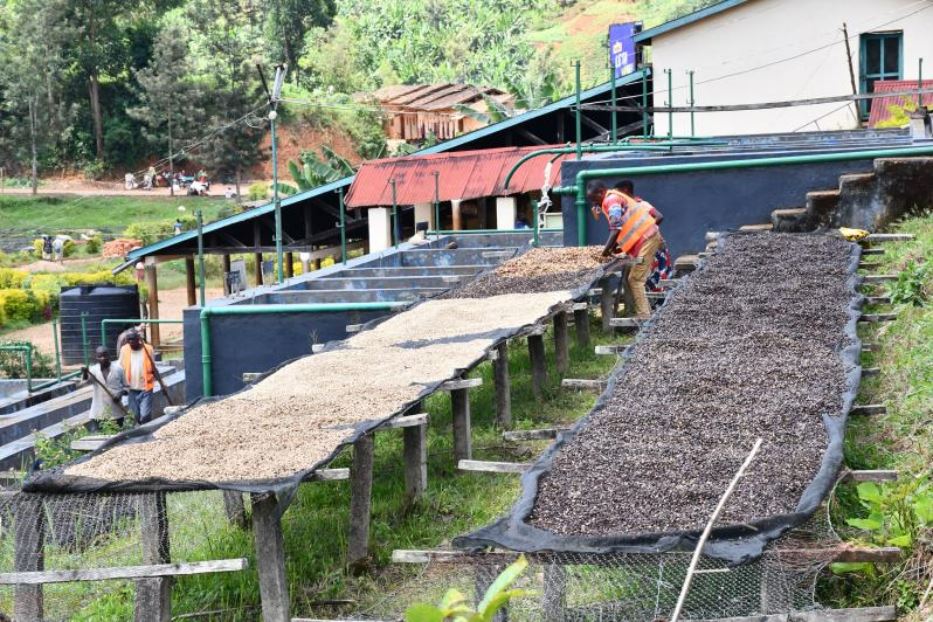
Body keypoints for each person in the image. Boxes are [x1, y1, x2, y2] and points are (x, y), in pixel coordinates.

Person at [588, 180, 664, 319]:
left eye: (594, 200)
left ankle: (644, 317)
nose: (595, 204)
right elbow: (626, 228)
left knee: (635, 279)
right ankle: (645, 315)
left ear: (600, 193)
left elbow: (616, 228)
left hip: (648, 238)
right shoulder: (613, 197)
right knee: (635, 278)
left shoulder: (611, 200)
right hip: (646, 239)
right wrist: (616, 247)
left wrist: (605, 251)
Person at [82, 346, 128, 430]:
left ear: (109, 356)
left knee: (117, 436)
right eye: (100, 356)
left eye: (105, 356)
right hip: (98, 412)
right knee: (98, 435)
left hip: (116, 411)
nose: (103, 358)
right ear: (96, 357)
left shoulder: (118, 369)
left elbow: (127, 387)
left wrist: (120, 393)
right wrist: (85, 373)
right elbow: (86, 382)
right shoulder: (93, 370)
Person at [119, 329, 156, 425]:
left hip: (146, 387)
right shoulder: (124, 350)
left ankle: (147, 429)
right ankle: (141, 431)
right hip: (131, 389)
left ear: (138, 339)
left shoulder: (148, 349)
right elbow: (120, 367)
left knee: (145, 415)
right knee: (134, 415)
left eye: (133, 339)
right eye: (129, 340)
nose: (131, 342)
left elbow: (153, 366)